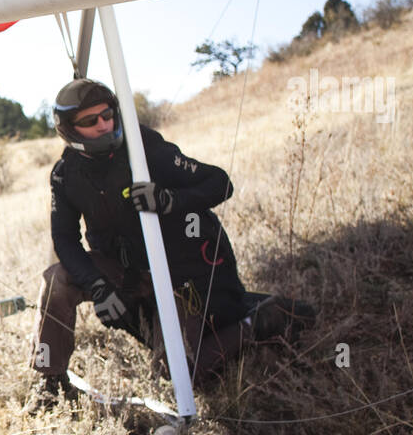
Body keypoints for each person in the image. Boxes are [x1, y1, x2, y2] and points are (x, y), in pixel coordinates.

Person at [28, 77, 314, 412]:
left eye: (108, 115)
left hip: (182, 274)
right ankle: (50, 383)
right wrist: (98, 285)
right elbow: (64, 238)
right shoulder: (65, 173)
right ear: (69, 129)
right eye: (90, 121)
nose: (104, 125)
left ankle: (260, 320)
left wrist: (168, 200)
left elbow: (220, 183)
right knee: (58, 278)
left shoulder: (142, 146)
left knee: (178, 373)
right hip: (129, 272)